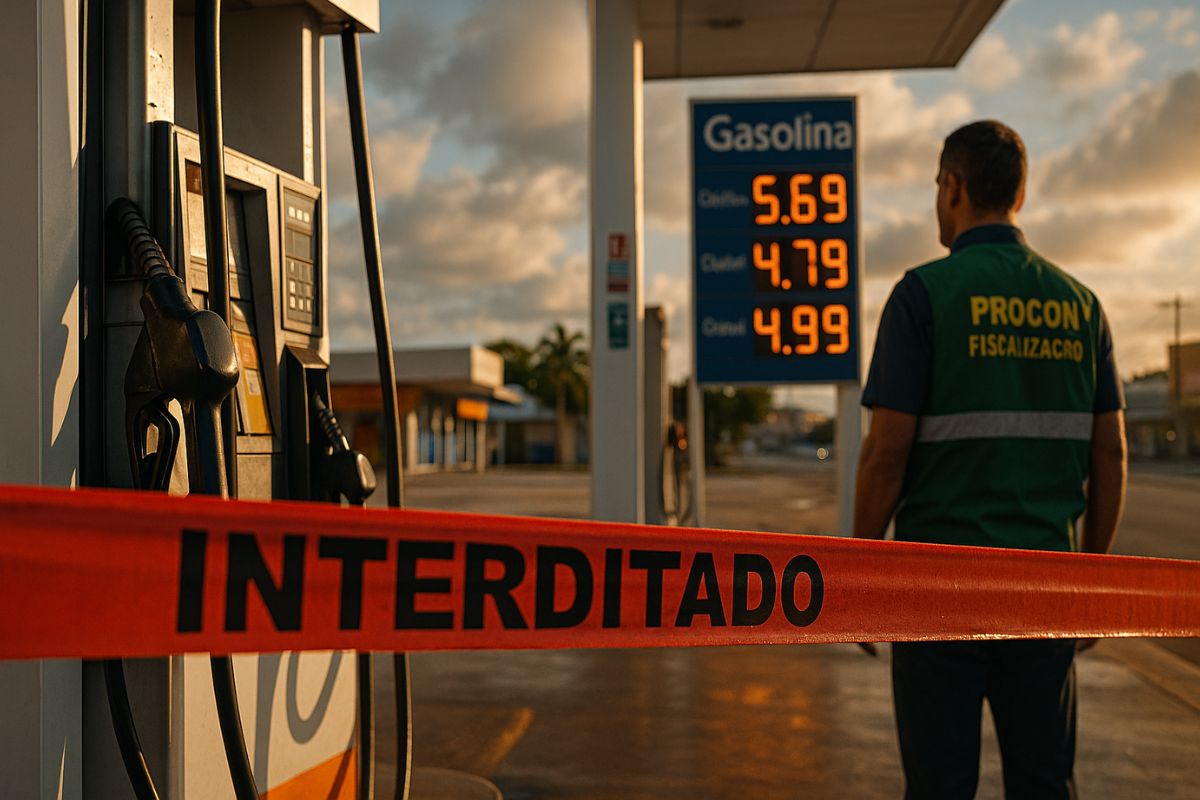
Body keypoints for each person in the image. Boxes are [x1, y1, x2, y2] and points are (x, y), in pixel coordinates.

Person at [853, 120, 1127, 799]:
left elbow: (886, 452)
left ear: (953, 187)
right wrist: (1091, 581)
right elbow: (1112, 454)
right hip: (1045, 588)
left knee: (940, 784)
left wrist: (859, 572)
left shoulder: (922, 295)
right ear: (1020, 196)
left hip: (935, 587)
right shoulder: (1081, 306)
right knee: (1042, 781)